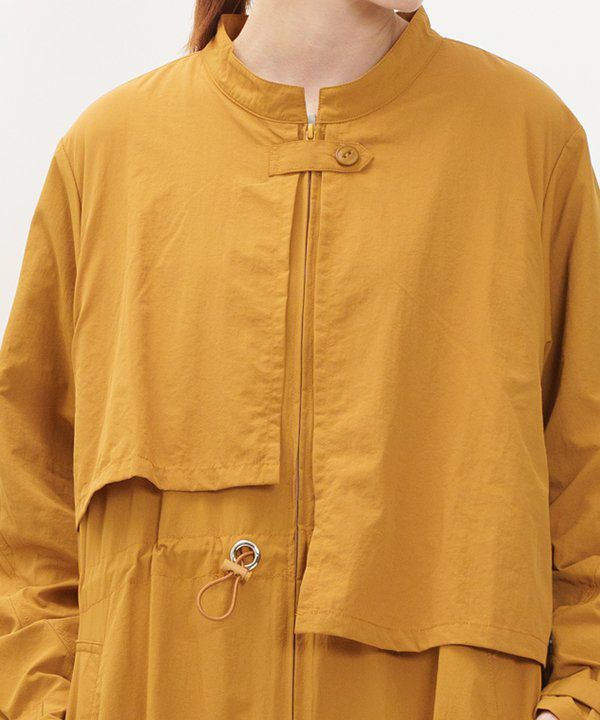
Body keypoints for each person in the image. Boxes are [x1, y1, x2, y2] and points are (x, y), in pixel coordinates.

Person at [0, 0, 598, 718]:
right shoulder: (110, 152)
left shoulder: (528, 139)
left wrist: (577, 698)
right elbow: (27, 478)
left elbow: (587, 463)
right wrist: (41, 701)